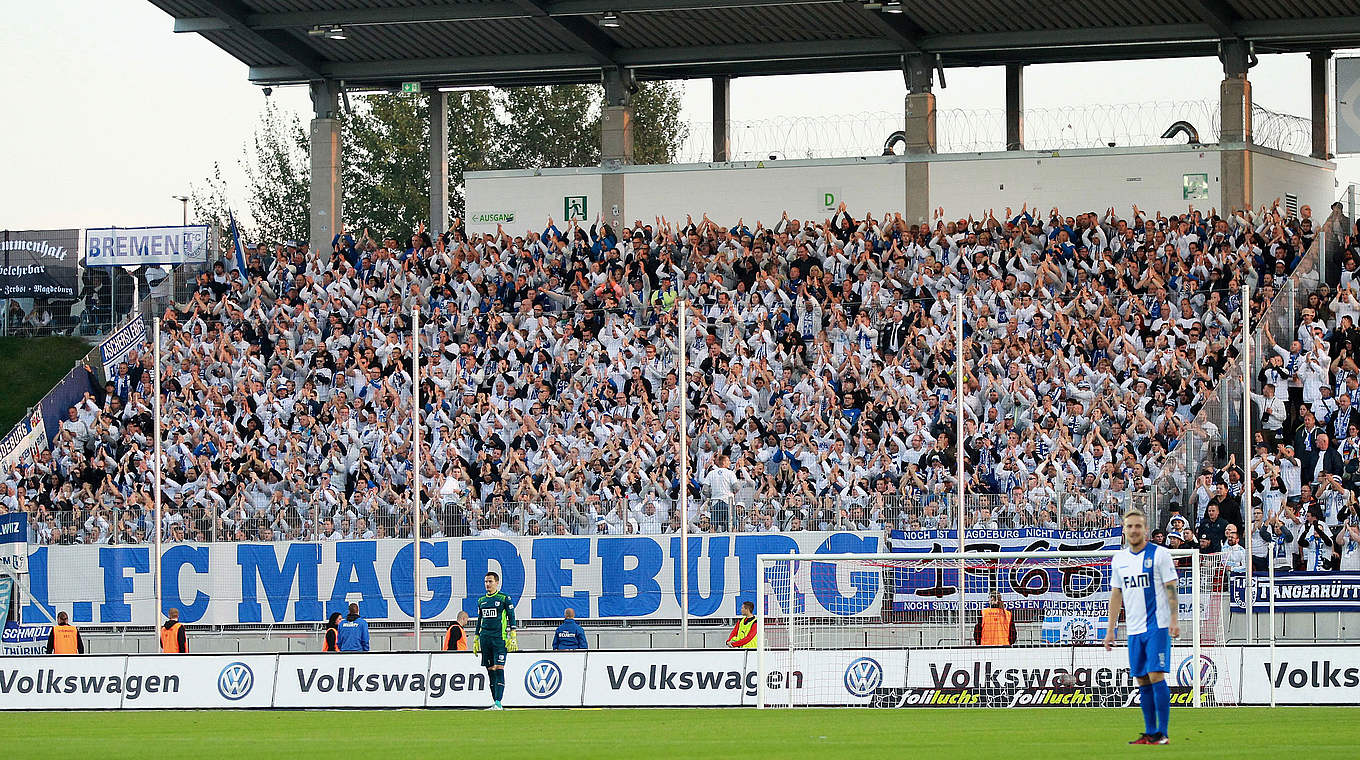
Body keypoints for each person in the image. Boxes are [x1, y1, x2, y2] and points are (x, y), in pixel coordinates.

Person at [1103, 508, 1179, 745]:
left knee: (1156, 675)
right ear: (1124, 530)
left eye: (1138, 526)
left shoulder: (1160, 555)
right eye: (1130, 526)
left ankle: (1162, 734)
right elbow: (1116, 594)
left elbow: (1170, 587)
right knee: (1142, 680)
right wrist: (1110, 629)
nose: (1134, 530)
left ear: (1145, 529)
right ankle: (1150, 732)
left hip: (1158, 625)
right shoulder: (1120, 560)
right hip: (1134, 630)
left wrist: (1174, 619)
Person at [474, 571, 517, 709]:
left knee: (499, 668)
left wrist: (513, 635)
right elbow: (480, 620)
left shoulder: (504, 598)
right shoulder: (481, 601)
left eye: (490, 581)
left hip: (499, 639)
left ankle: (499, 701)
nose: (487, 584)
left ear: (497, 583)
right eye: (486, 581)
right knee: (490, 670)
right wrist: (476, 637)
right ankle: (495, 702)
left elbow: (511, 616)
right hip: (485, 639)